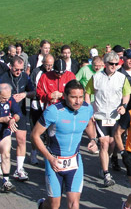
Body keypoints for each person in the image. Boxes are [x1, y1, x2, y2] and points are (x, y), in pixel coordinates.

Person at [31, 80, 97, 209]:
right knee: (54, 205)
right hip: (54, 161)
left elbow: (89, 124)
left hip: (74, 161)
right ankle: (42, 206)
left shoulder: (87, 108)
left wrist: (93, 139)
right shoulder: (53, 111)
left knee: (74, 204)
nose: (77, 101)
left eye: (80, 97)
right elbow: (34, 135)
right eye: (73, 97)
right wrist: (49, 158)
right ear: (65, 96)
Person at [85, 51, 131, 187]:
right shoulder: (96, 77)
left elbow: (126, 93)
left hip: (115, 116)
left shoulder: (122, 78)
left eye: (116, 64)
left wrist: (124, 105)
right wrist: (89, 110)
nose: (114, 66)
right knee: (104, 143)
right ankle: (106, 173)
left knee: (112, 143)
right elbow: (87, 92)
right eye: (111, 64)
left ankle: (105, 161)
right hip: (100, 115)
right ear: (105, 64)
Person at [0, 56, 35, 181]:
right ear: (10, 66)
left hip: (20, 112)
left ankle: (19, 168)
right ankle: (0, 162)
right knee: (3, 139)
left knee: (21, 139)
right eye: (16, 69)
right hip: (4, 112)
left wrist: (24, 94)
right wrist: (8, 97)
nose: (19, 72)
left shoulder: (25, 77)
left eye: (21, 69)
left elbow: (34, 92)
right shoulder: (1, 78)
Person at [30, 54, 55, 164]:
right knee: (36, 131)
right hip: (37, 105)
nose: (49, 67)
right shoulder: (36, 72)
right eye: (47, 65)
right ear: (43, 63)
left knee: (50, 133)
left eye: (51, 65)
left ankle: (48, 155)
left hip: (49, 106)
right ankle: (34, 152)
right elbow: (32, 87)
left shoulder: (54, 73)